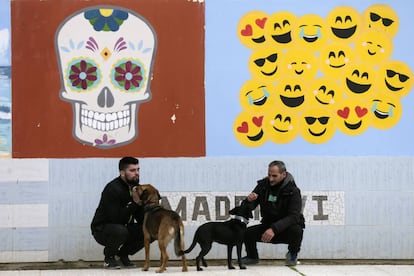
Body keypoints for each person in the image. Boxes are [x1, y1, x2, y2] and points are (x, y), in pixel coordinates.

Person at [241, 160, 305, 266]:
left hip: (285, 229)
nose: (270, 179)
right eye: (269, 175)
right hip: (267, 226)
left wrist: (274, 229)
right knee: (246, 232)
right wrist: (248, 201)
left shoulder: (293, 191)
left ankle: (292, 254)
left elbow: (294, 216)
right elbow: (248, 207)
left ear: (283, 174)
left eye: (274, 176)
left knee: (297, 230)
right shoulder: (263, 186)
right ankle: (252, 257)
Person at [91, 156, 147, 269]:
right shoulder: (112, 189)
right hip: (102, 229)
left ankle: (122, 255)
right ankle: (109, 258)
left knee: (149, 229)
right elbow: (116, 219)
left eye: (138, 170)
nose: (137, 173)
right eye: (132, 170)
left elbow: (141, 218)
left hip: (124, 227)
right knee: (120, 231)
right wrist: (134, 203)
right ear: (122, 173)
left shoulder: (137, 189)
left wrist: (144, 206)